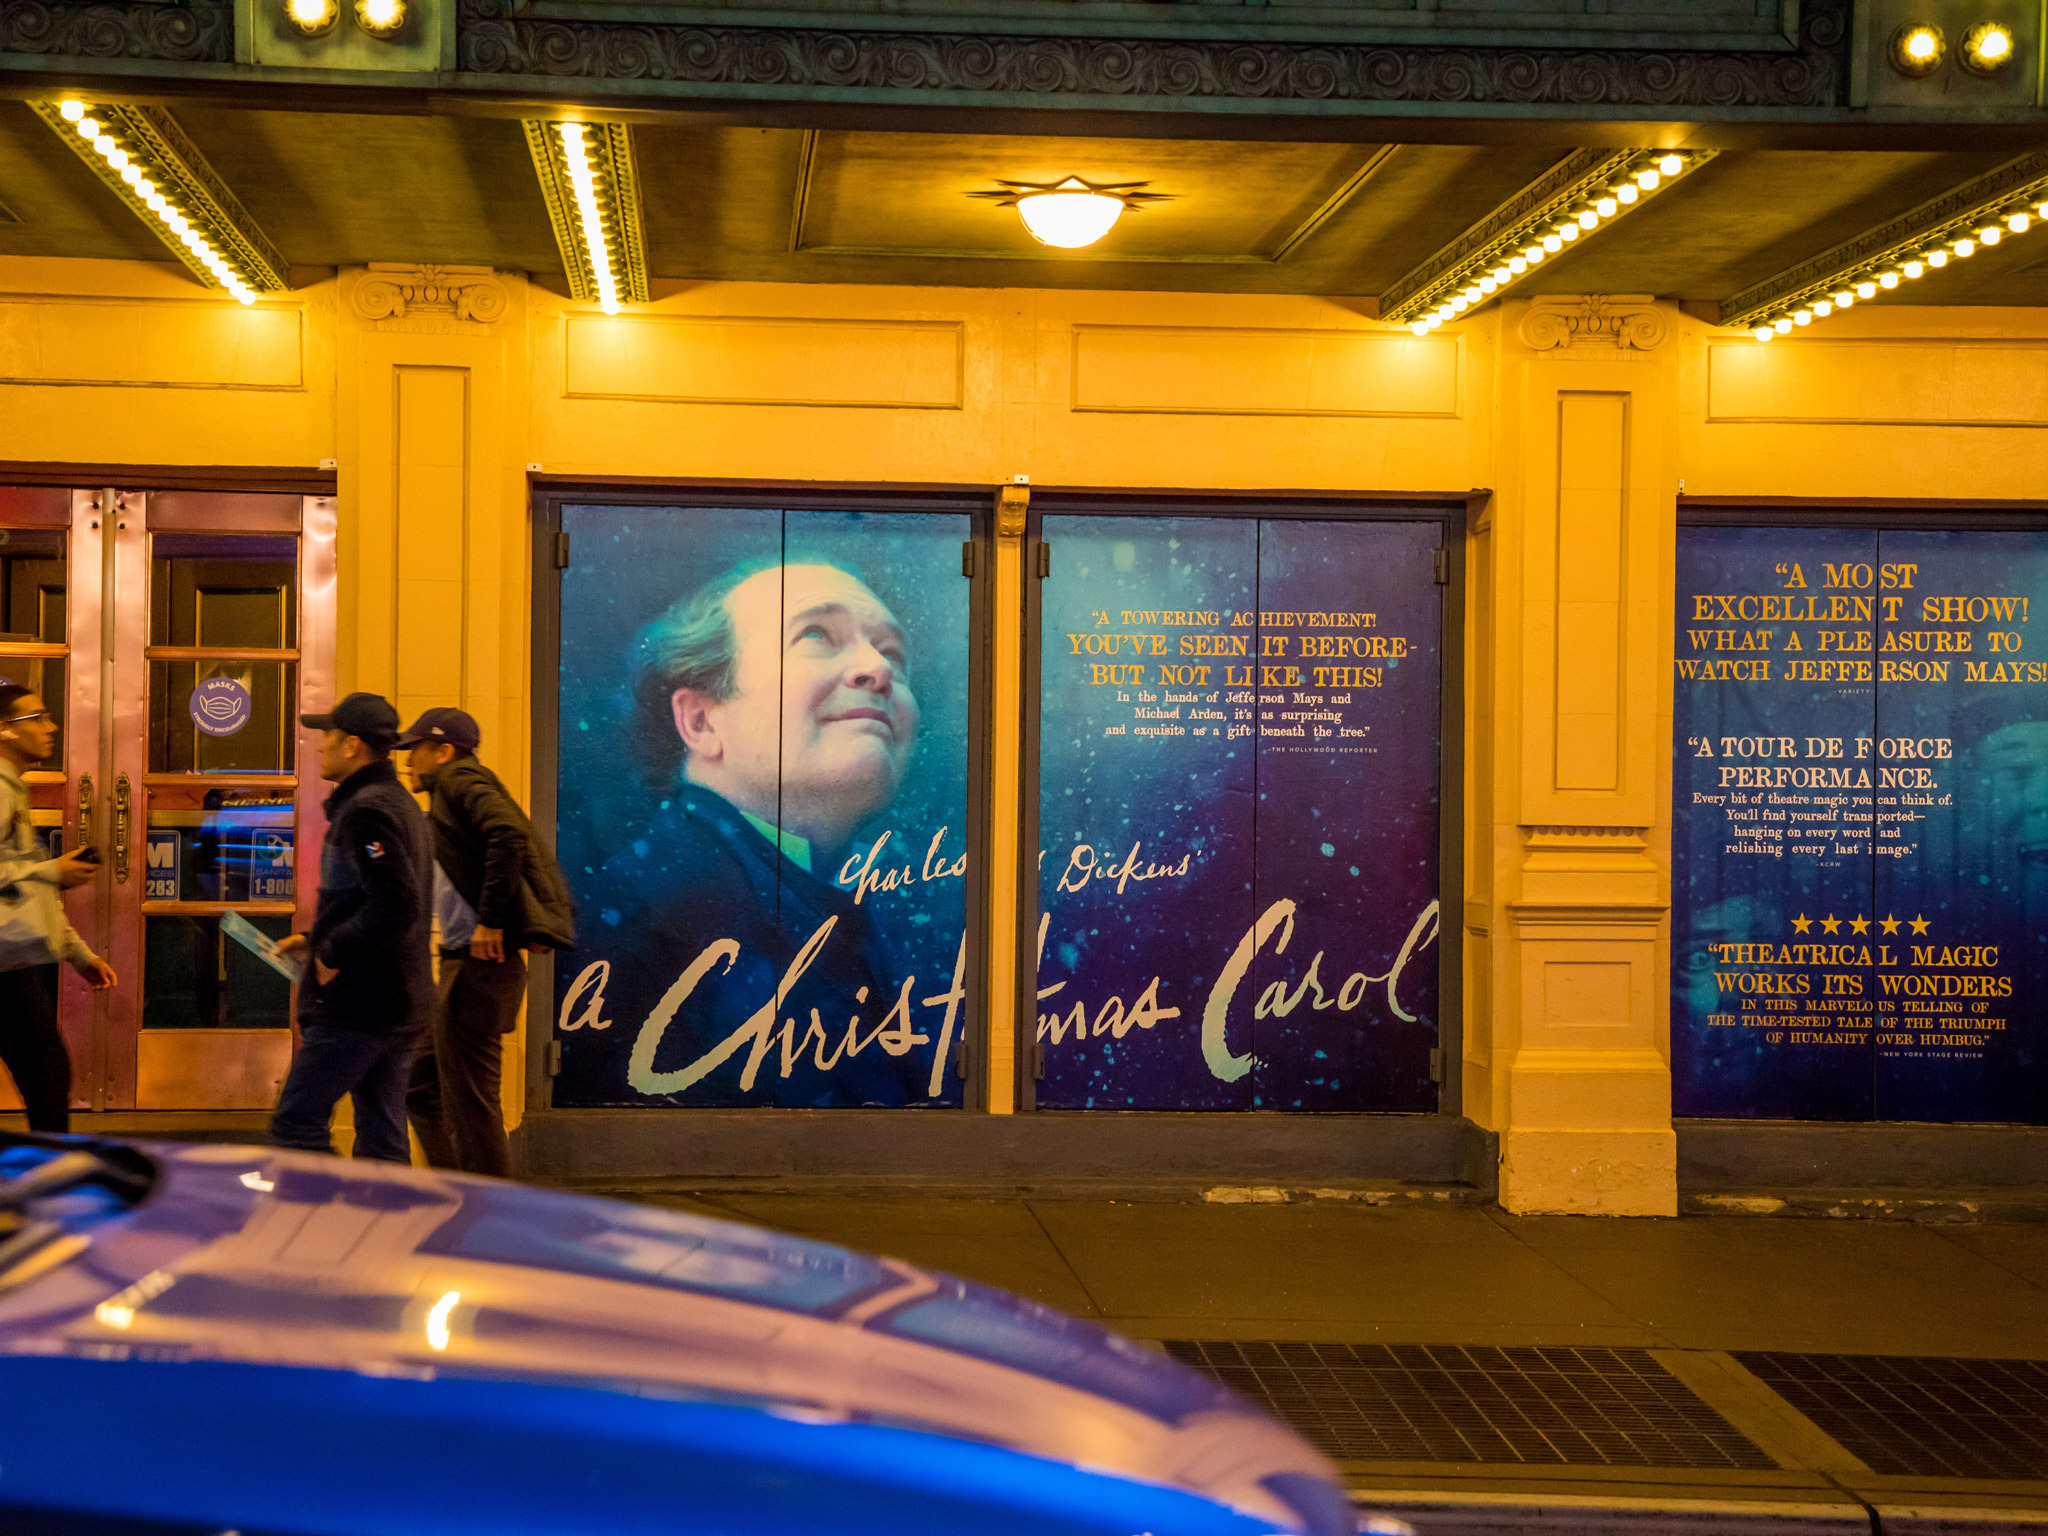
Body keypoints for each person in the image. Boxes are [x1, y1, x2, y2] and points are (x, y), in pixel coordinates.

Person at [587, 557, 921, 1104]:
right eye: (816, 634)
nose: (877, 670)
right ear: (701, 721)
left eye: (892, 652)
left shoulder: (869, 898)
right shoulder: (642, 905)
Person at [399, 706, 574, 1177]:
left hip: (478, 969)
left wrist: (491, 922)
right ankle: (456, 1193)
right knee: (420, 1084)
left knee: (472, 1108)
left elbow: (507, 834)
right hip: (466, 967)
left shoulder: (458, 780)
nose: (407, 761)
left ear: (443, 750)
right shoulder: (452, 790)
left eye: (414, 751)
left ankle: (488, 1217)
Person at [270, 692, 432, 1163]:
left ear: (352, 746)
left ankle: (317, 1225)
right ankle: (383, 1228)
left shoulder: (366, 811)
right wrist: (314, 939)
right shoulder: (397, 803)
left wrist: (332, 951)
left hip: (362, 1004)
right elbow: (373, 896)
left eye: (327, 737)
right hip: (400, 998)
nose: (319, 746)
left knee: (297, 1121)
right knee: (383, 1134)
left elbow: (397, 901)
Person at [0, 683, 115, 1132]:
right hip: (6, 963)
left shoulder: (12, 789)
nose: (51, 728)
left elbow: (29, 886)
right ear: (6, 731)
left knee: (45, 1070)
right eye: (38, 718)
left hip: (11, 959)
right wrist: (51, 872)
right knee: (46, 1071)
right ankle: (52, 1175)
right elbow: (37, 879)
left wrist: (78, 954)